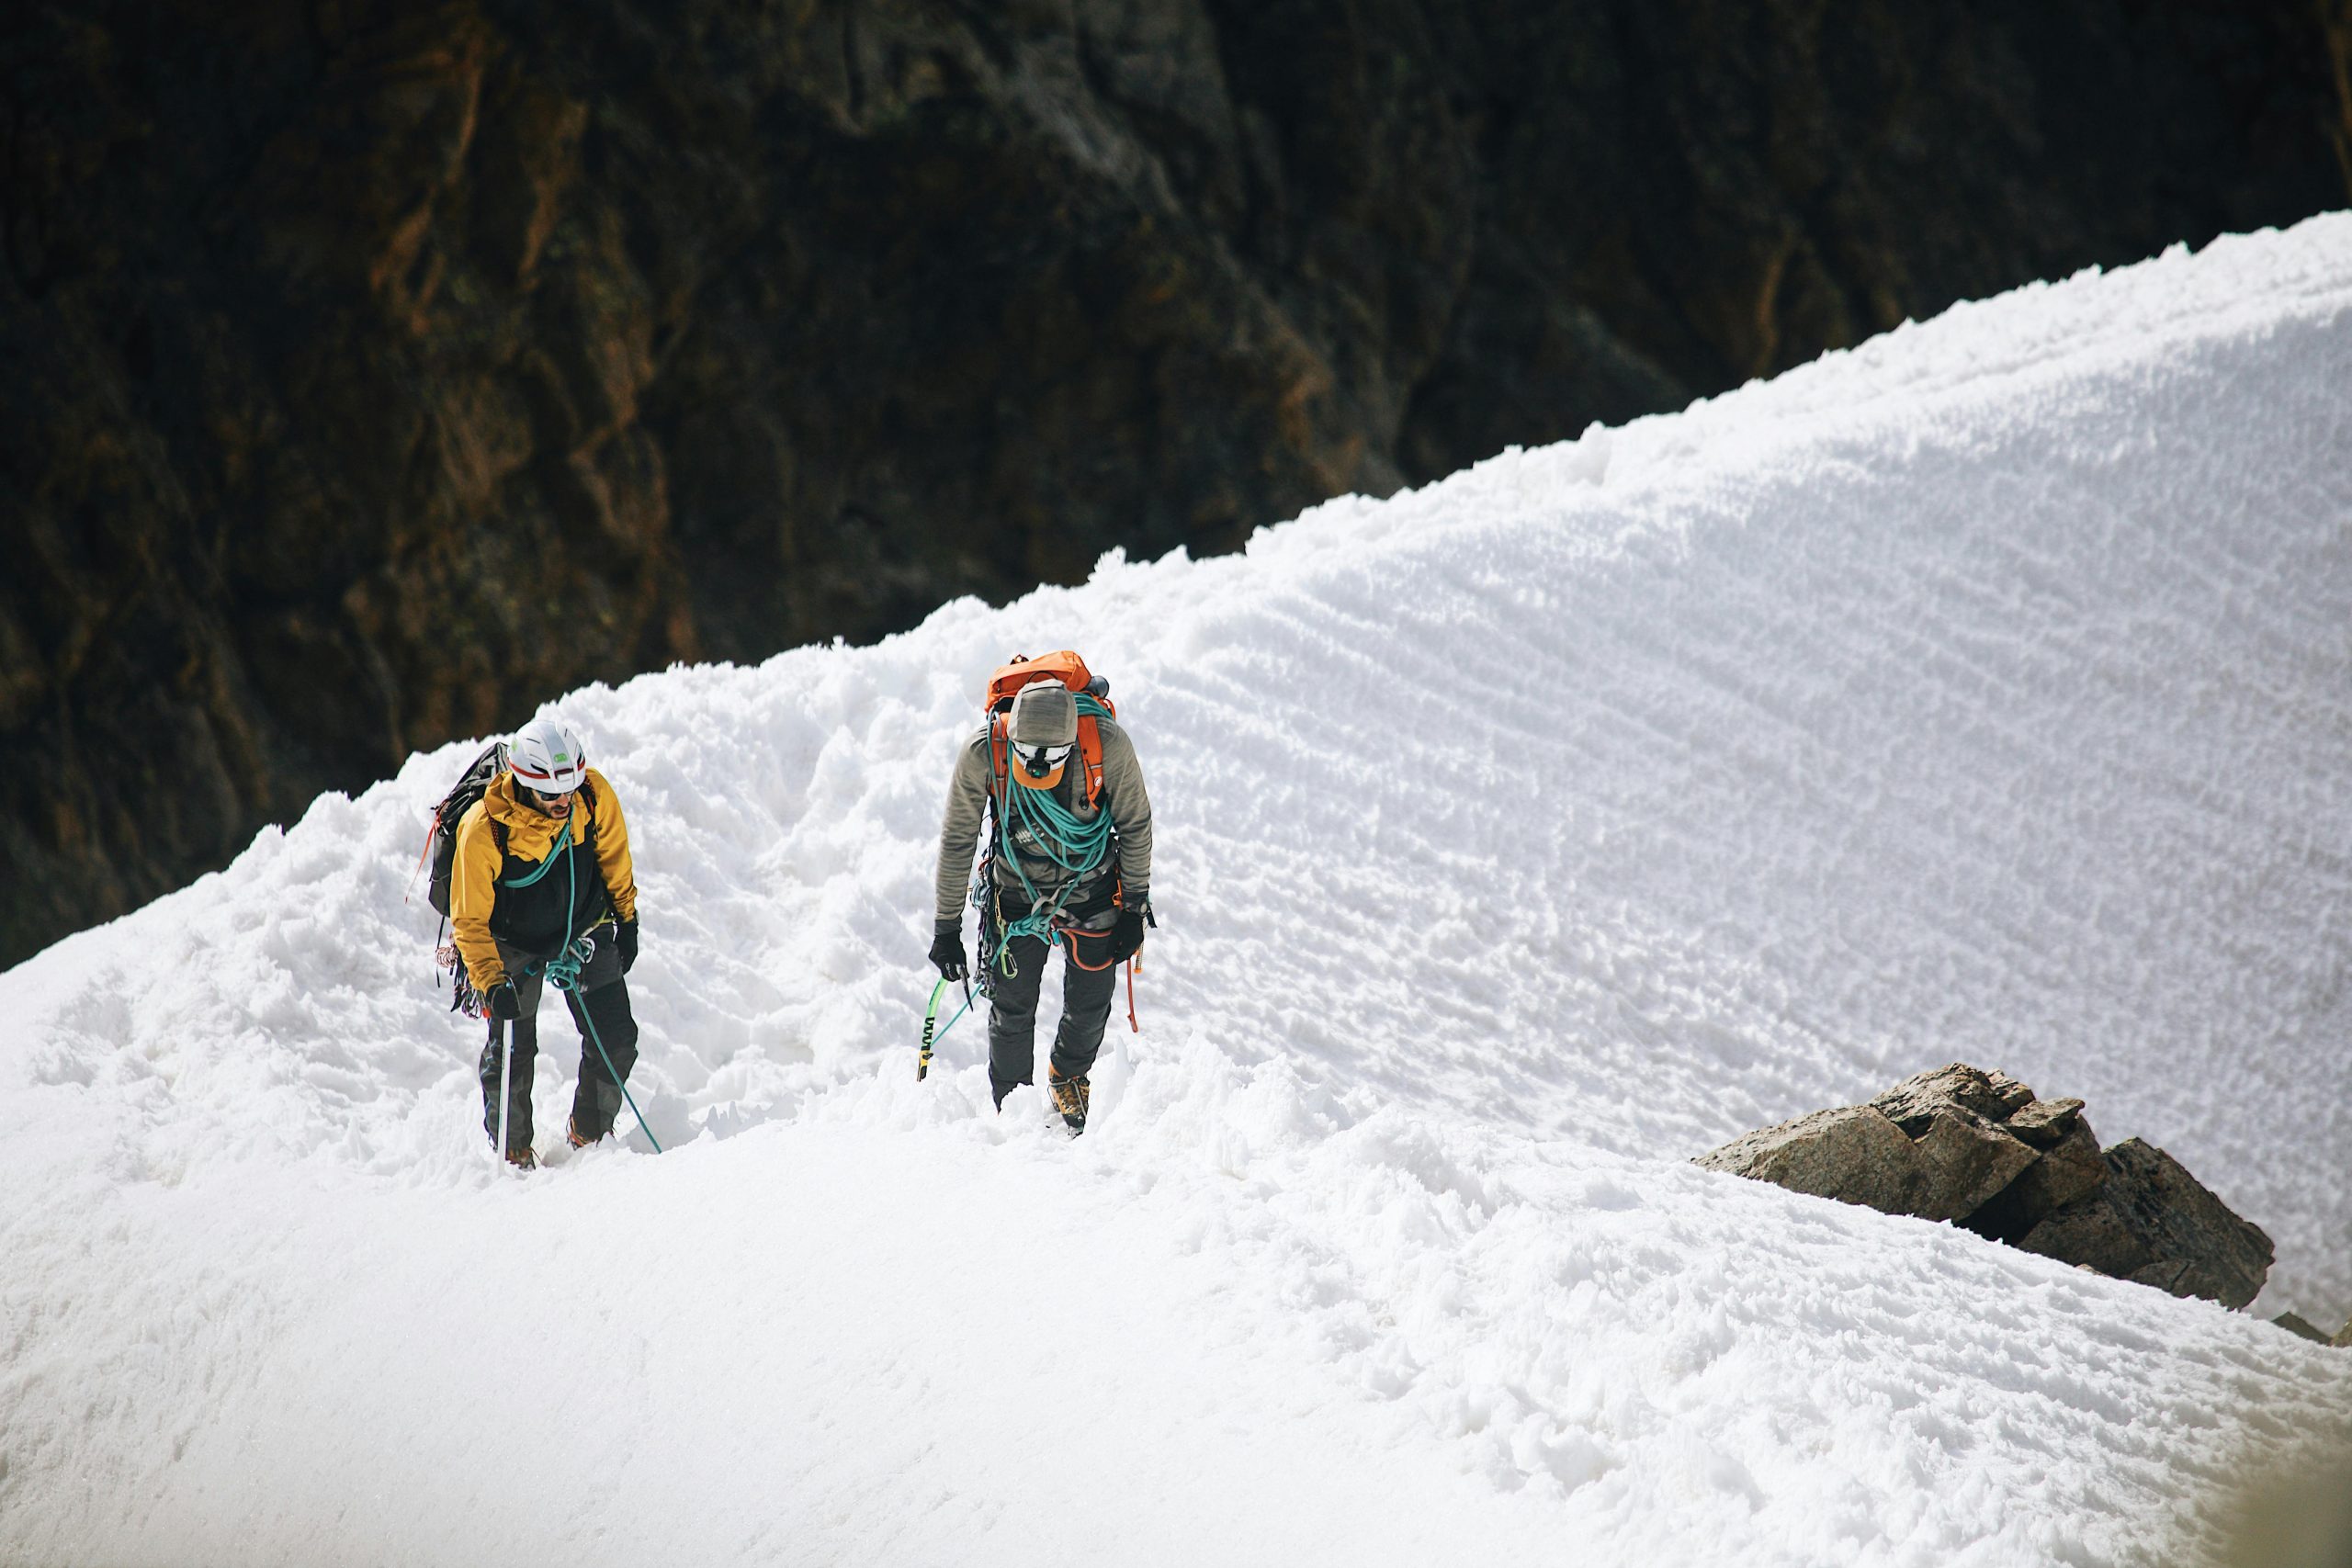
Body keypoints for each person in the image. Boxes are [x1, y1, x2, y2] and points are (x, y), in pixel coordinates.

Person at [931, 670, 1153, 1132]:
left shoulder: (1106, 744)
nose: (1036, 767)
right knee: (1011, 1010)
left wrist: (1134, 906)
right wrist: (946, 927)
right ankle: (1013, 1107)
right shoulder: (984, 752)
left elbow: (1135, 824)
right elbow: (958, 840)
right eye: (1027, 753)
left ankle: (1068, 1074)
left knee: (1092, 1001)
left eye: (1051, 757)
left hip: (1092, 887)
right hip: (1015, 893)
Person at [449, 716, 642, 1167]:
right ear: (524, 783)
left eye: (569, 790)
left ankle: (590, 1134)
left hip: (583, 927)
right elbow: (469, 920)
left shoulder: (592, 795)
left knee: (616, 1038)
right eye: (551, 794)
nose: (563, 802)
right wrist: (490, 982)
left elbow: (614, 856)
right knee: (512, 1054)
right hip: (510, 945)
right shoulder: (483, 830)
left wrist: (627, 918)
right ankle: (513, 1151)